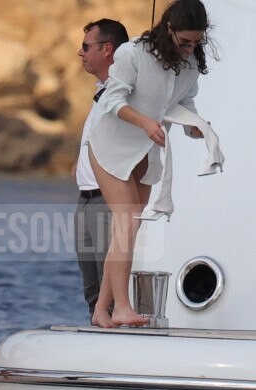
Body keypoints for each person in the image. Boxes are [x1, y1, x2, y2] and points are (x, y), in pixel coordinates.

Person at [88, 0, 211, 328]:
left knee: (126, 230)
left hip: (146, 153)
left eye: (197, 42)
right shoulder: (132, 54)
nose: (190, 48)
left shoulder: (190, 65)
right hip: (111, 146)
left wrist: (195, 126)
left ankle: (101, 310)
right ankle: (121, 307)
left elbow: (184, 103)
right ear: (168, 29)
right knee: (126, 223)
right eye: (185, 41)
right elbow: (113, 100)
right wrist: (144, 122)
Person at [74, 19, 128, 322]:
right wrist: (80, 162)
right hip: (85, 199)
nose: (80, 53)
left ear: (107, 49)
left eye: (86, 46)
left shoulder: (123, 91)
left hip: (105, 201)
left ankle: (115, 337)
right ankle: (98, 335)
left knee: (106, 293)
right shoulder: (102, 92)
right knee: (92, 292)